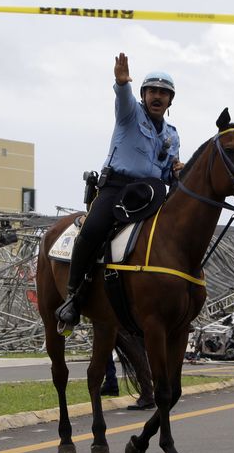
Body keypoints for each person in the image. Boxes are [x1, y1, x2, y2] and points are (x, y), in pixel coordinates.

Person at [55, 52, 184, 326]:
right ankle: (73, 295)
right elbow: (123, 96)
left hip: (152, 194)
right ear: (144, 94)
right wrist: (122, 82)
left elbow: (166, 174)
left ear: (170, 100)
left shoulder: (172, 135)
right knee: (92, 230)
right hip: (117, 189)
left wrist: (176, 174)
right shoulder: (130, 114)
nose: (157, 96)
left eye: (163, 92)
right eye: (152, 91)